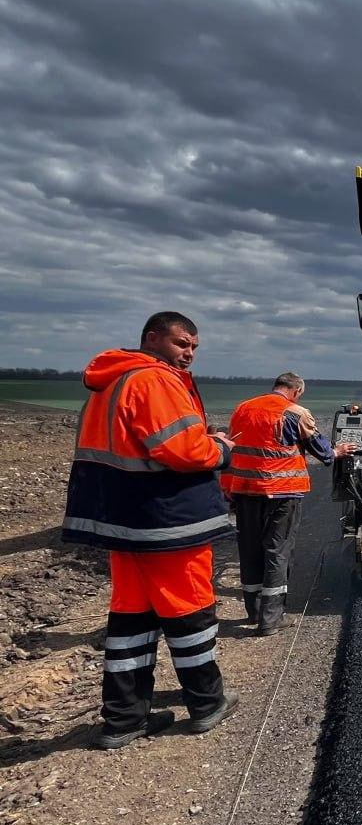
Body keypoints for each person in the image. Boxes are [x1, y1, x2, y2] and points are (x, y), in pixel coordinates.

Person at [62, 311, 240, 749]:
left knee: (131, 619)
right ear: (152, 337)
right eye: (182, 343)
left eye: (194, 347)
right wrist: (219, 448)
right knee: (190, 609)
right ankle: (206, 702)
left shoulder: (111, 382)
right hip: (166, 519)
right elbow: (182, 449)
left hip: (124, 523)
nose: (189, 354)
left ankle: (124, 719)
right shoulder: (154, 381)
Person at [222, 373, 357, 636]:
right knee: (277, 550)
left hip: (245, 490)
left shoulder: (243, 408)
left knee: (250, 551)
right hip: (282, 492)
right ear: (296, 390)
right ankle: (271, 619)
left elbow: (234, 445)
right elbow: (321, 449)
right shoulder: (296, 412)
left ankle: (254, 611)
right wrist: (337, 451)